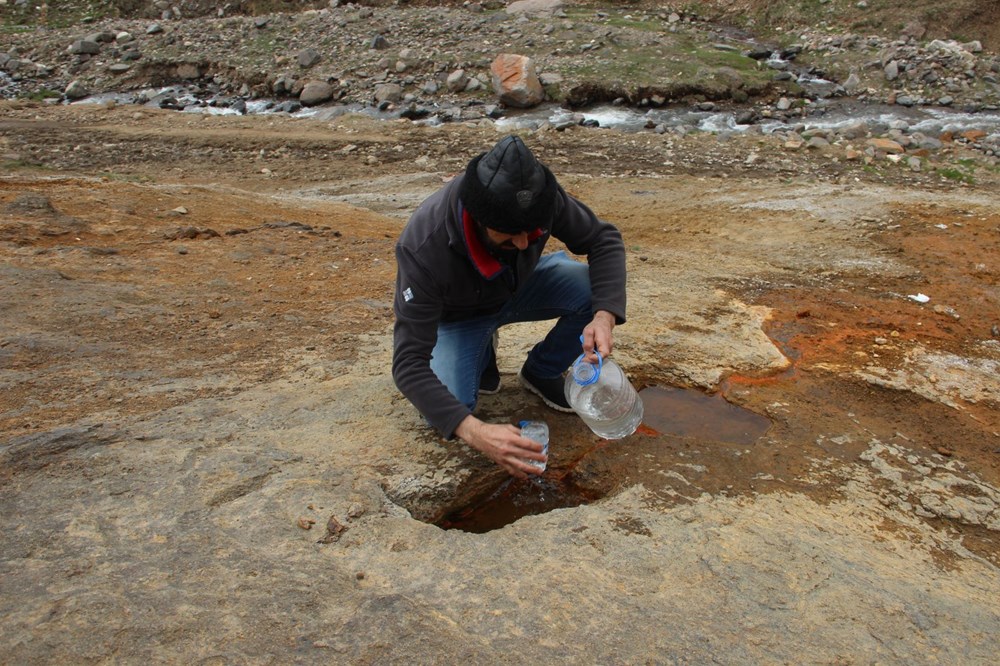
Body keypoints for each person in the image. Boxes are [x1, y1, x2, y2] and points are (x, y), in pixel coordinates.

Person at [392, 135, 627, 478]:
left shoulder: (542, 199)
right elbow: (408, 364)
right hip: (458, 316)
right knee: (450, 408)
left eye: (530, 233)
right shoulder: (424, 247)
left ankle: (541, 371)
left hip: (520, 287)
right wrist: (475, 431)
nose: (522, 243)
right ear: (477, 217)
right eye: (510, 234)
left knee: (596, 292)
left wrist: (604, 317)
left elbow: (603, 239)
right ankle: (481, 347)